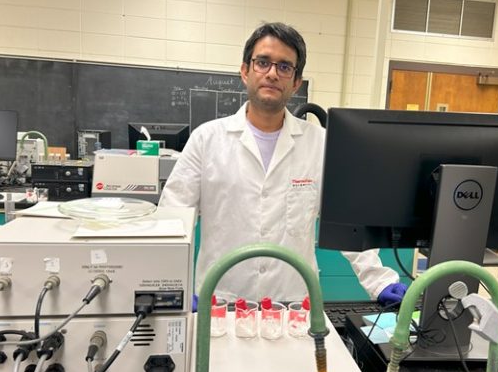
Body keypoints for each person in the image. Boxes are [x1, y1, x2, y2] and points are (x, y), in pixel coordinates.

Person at [160, 22, 406, 304]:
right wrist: (175, 285)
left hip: (293, 303)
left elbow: (345, 225)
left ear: (296, 82)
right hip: (220, 301)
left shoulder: (321, 143)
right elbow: (174, 219)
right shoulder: (207, 139)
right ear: (245, 71)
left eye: (285, 67)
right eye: (262, 62)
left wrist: (379, 280)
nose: (272, 74)